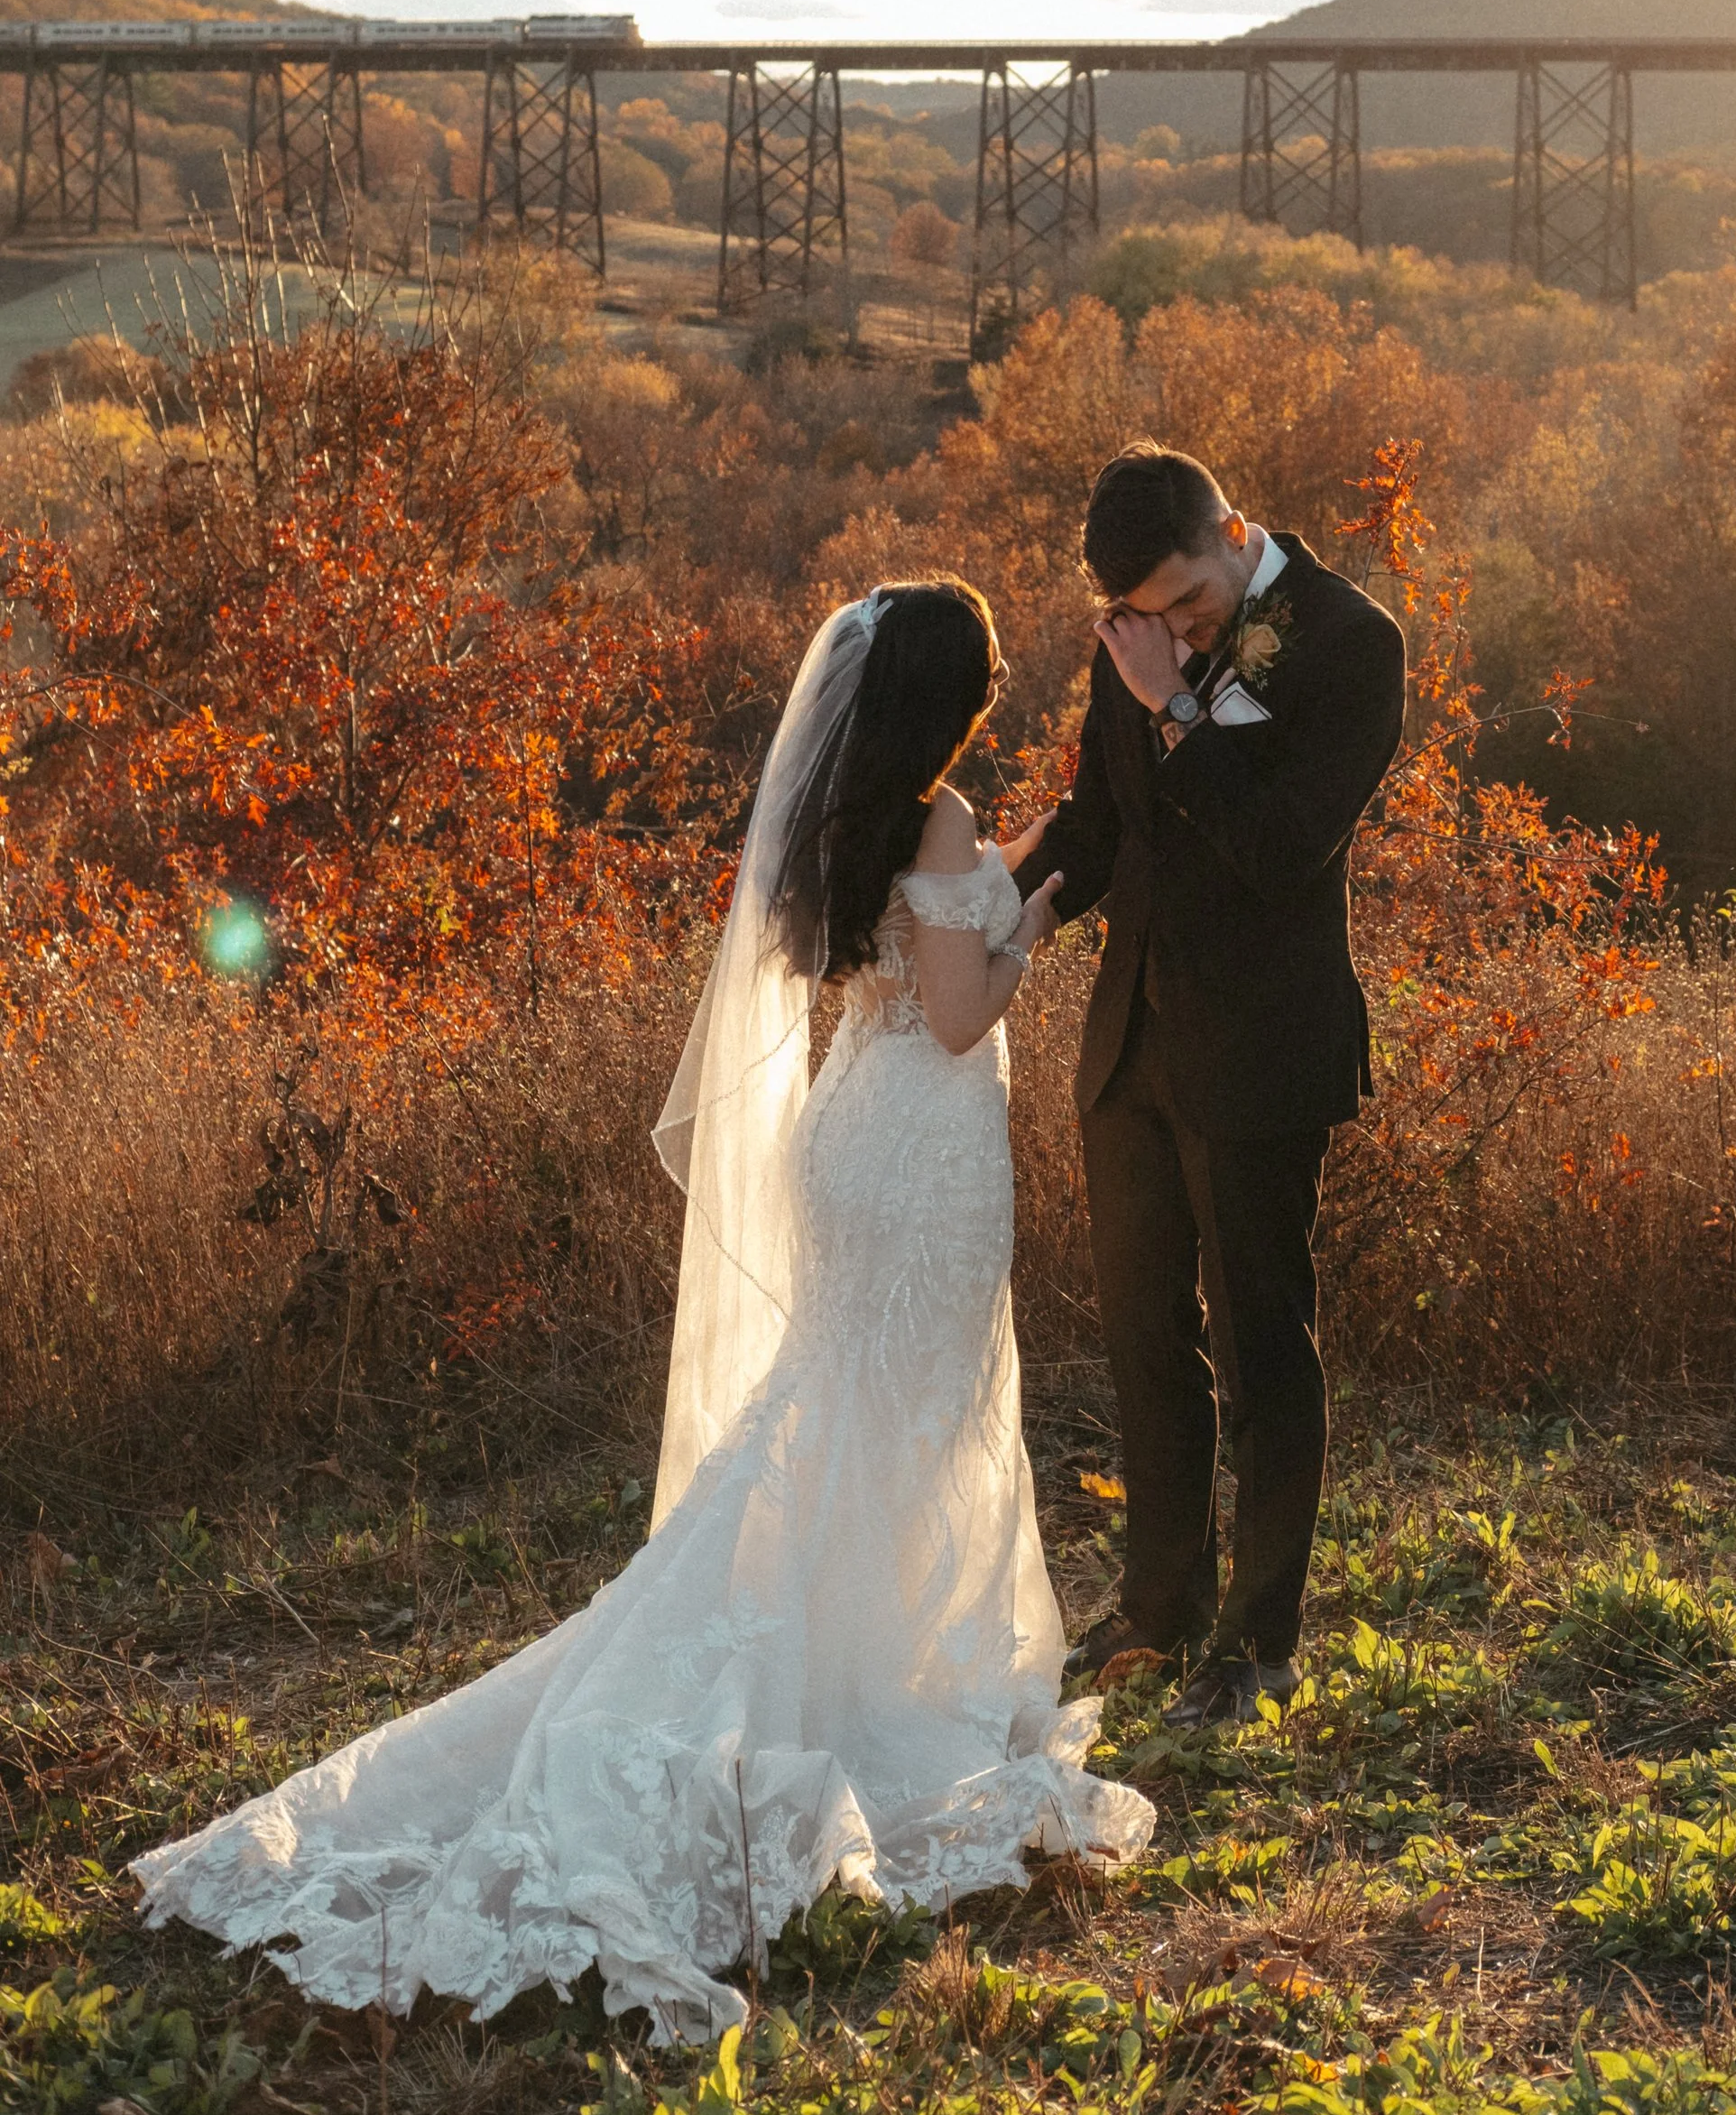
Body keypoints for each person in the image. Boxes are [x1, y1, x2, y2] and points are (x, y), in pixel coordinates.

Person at [134, 581, 1153, 2041]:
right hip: (921, 1153)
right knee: (906, 1413)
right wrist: (1035, 916)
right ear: (943, 699)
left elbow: (906, 944)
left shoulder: (847, 815)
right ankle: (867, 1681)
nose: (993, 693)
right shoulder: (937, 817)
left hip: (851, 1134)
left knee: (841, 1405)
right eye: (983, 677)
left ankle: (850, 1646)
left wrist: (1016, 868)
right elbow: (956, 1013)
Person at [1015, 446, 1406, 1726]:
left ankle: (1259, 1644)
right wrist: (984, 922)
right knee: (1144, 1342)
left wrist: (1178, 705)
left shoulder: (1352, 643)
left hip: (1262, 1048)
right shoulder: (1134, 643)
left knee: (1260, 1349)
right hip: (1131, 1042)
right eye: (1148, 614)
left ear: (1234, 533)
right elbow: (1099, 825)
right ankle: (1160, 1607)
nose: (1175, 628)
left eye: (1189, 600)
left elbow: (1285, 848)